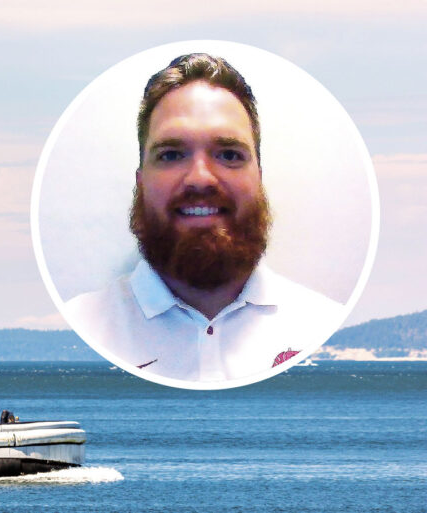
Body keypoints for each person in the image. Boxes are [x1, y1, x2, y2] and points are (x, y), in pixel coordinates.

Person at [64, 53, 343, 384]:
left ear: (259, 177)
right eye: (171, 155)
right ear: (141, 180)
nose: (200, 178)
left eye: (228, 155)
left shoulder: (325, 326)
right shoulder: (80, 326)